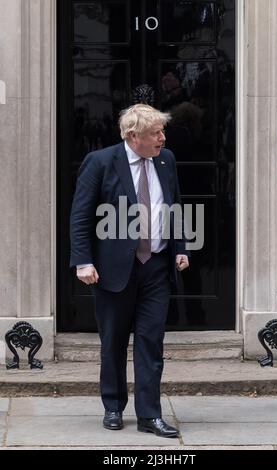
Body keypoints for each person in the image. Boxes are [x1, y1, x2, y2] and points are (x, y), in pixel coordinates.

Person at [70, 104, 189, 438]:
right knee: (113, 342)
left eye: (162, 132)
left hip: (156, 266)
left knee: (151, 343)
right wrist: (83, 261)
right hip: (111, 270)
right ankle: (112, 406)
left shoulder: (167, 160)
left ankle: (150, 415)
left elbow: (174, 205)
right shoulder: (101, 162)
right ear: (134, 136)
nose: (163, 138)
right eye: (156, 133)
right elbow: (81, 215)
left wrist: (180, 248)